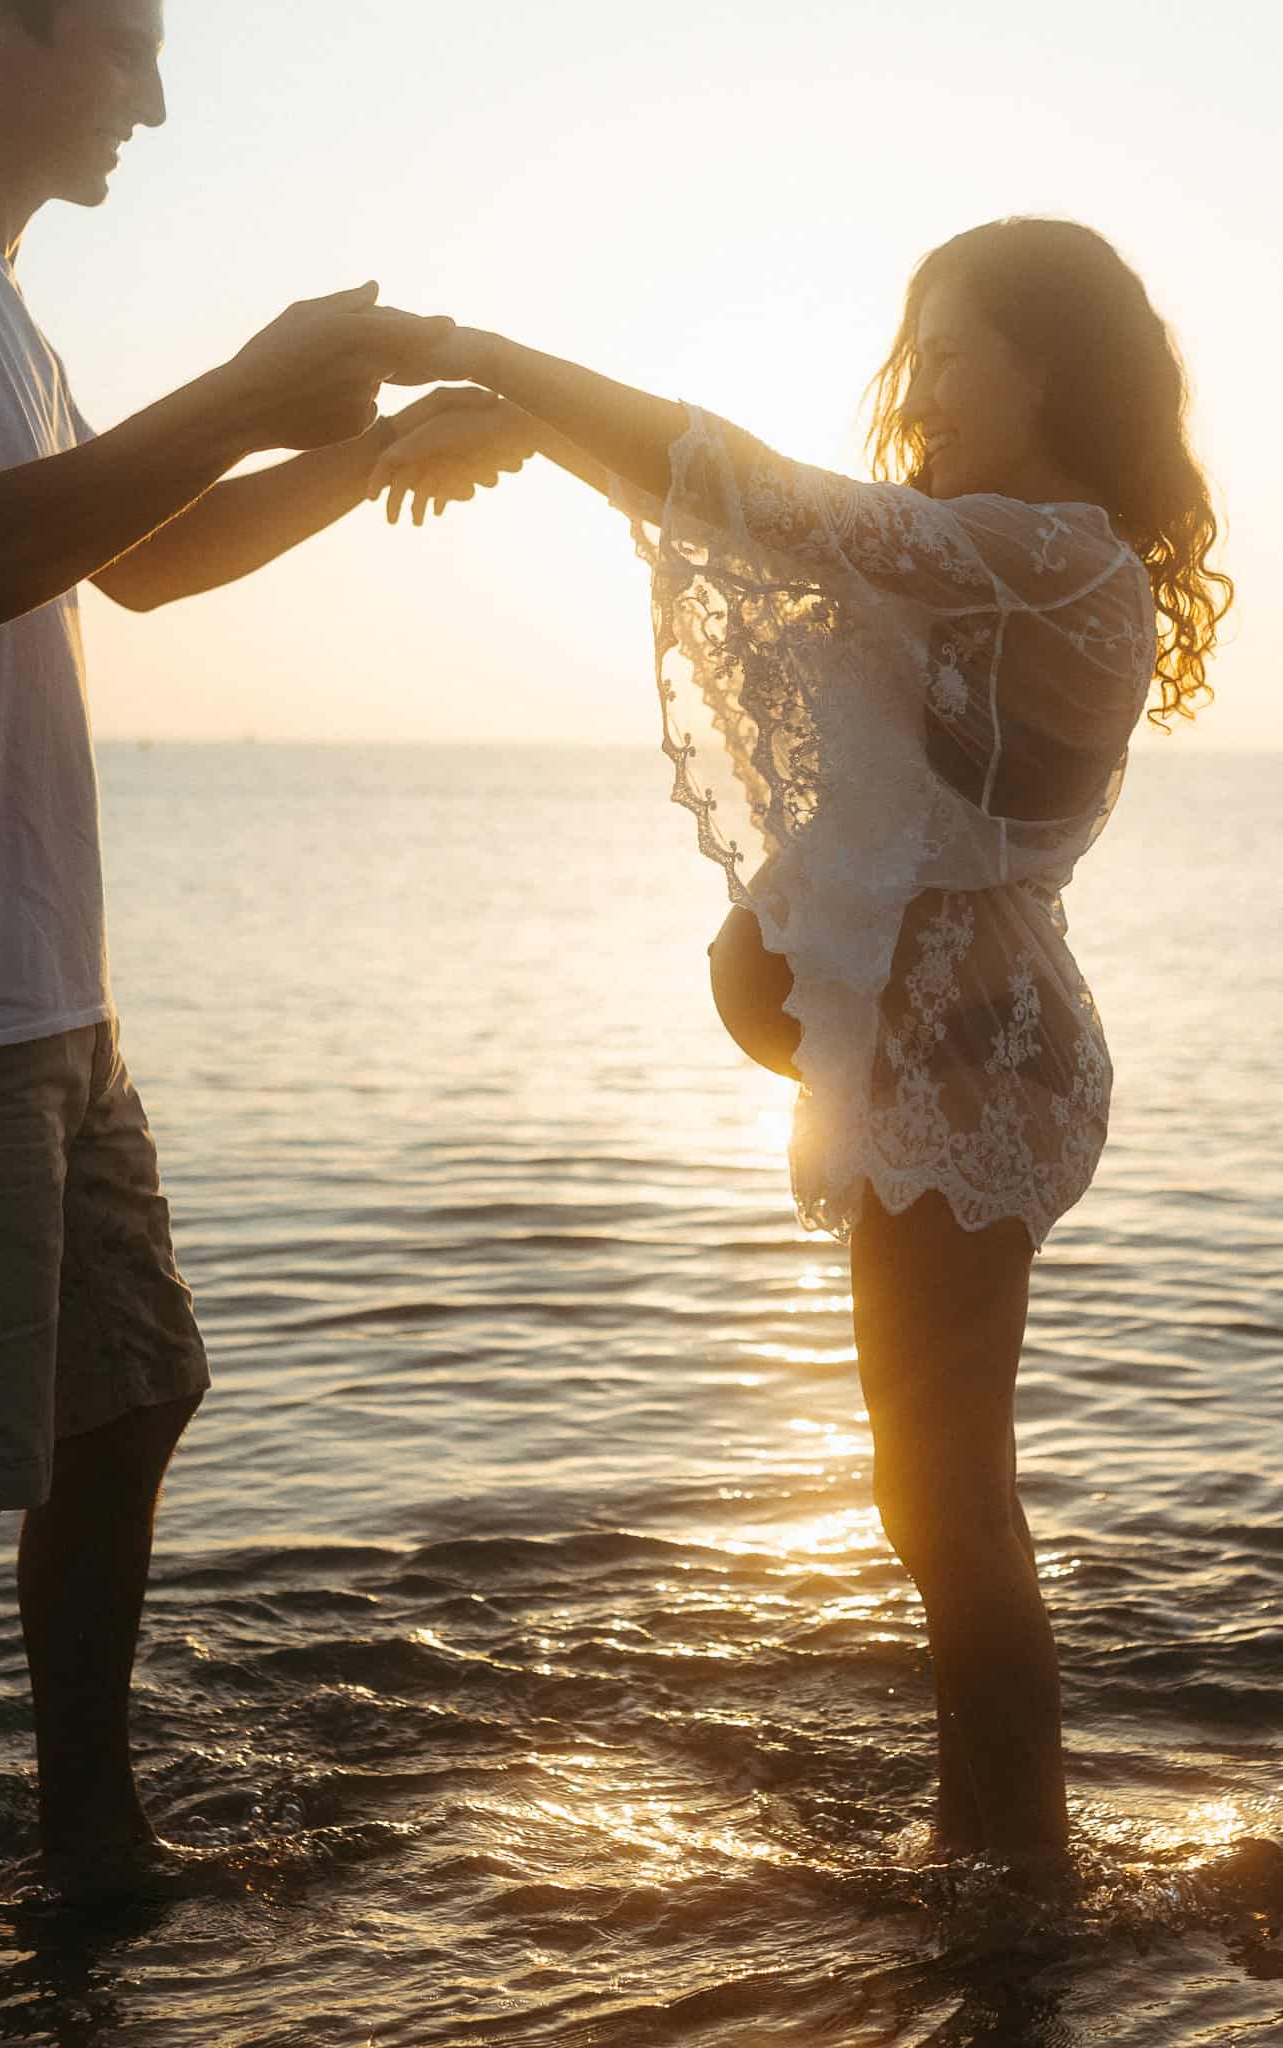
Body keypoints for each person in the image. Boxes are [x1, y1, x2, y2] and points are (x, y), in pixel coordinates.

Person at [358, 219, 1233, 1867]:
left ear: (1051, 369)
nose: (920, 388)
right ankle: (984, 1839)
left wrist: (490, 363)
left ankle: (1011, 1868)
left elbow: (754, 495)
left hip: (974, 1061)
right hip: (941, 1052)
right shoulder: (986, 558)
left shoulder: (1045, 556)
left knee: (946, 1499)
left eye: (951, 353)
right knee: (930, 1494)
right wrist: (536, 431)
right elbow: (745, 518)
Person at [0, 0, 504, 1905]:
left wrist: (370, 448)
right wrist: (248, 392)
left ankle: (90, 1846)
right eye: (129, 50)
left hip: (47, 1000)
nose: (159, 105)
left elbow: (143, 555)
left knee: (129, 1397)